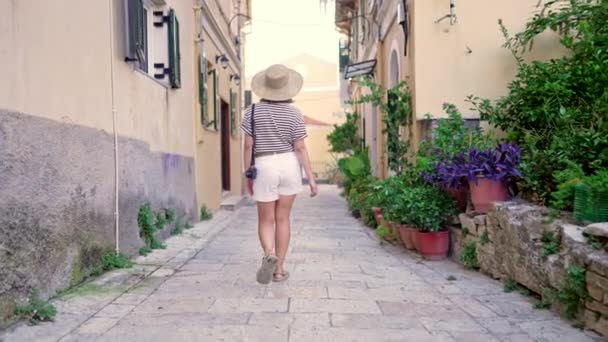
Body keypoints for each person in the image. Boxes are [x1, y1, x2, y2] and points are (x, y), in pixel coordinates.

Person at [240, 64, 318, 284]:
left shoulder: (252, 112)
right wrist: (311, 178)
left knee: (266, 220)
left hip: (264, 165)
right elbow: (301, 148)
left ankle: (269, 253)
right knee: (283, 218)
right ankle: (280, 270)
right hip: (289, 164)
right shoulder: (294, 113)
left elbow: (248, 146)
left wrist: (248, 173)